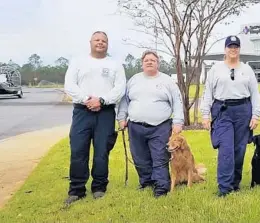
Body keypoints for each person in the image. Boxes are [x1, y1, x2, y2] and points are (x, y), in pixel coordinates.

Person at [63, 31, 126, 205]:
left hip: (105, 113)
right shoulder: (78, 62)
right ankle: (77, 190)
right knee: (78, 150)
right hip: (82, 112)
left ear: (108, 43)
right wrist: (86, 100)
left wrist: (102, 100)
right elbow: (70, 85)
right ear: (90, 42)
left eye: (104, 41)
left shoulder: (115, 64)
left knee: (102, 151)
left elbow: (120, 88)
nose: (100, 43)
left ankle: (99, 187)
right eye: (97, 40)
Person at [201, 35, 260, 197]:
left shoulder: (247, 69)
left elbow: (255, 93)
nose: (233, 49)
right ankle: (224, 188)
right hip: (223, 111)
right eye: (230, 47)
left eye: (236, 46)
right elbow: (208, 93)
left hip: (243, 110)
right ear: (225, 49)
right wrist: (205, 115)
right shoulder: (216, 69)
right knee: (226, 149)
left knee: (239, 150)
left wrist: (256, 115)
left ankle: (235, 184)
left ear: (239, 49)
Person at [116, 50, 184, 198]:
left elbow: (177, 102)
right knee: (140, 156)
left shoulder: (167, 81)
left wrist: (178, 121)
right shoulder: (133, 80)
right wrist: (122, 118)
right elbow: (124, 101)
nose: (149, 62)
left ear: (158, 63)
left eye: (153, 60)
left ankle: (161, 187)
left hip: (160, 126)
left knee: (159, 156)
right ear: (142, 64)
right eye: (146, 60)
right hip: (135, 126)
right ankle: (146, 182)